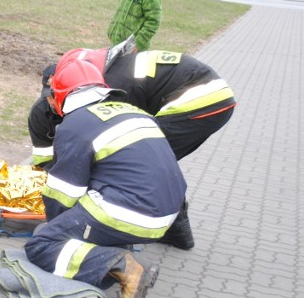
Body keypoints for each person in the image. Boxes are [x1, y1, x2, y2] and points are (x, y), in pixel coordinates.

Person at [28, 40, 236, 249]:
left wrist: (68, 215)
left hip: (199, 99)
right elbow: (43, 157)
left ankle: (151, 224)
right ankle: (169, 226)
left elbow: (115, 136)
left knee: (139, 155)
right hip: (209, 93)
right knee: (143, 158)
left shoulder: (112, 87)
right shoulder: (50, 107)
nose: (53, 105)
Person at [24, 58, 186, 298]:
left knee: (41, 244)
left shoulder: (76, 125)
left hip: (132, 212)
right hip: (168, 212)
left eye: (53, 96)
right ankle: (112, 248)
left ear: (63, 96)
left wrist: (56, 230)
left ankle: (125, 268)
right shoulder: (134, 111)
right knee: (84, 218)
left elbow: (63, 194)